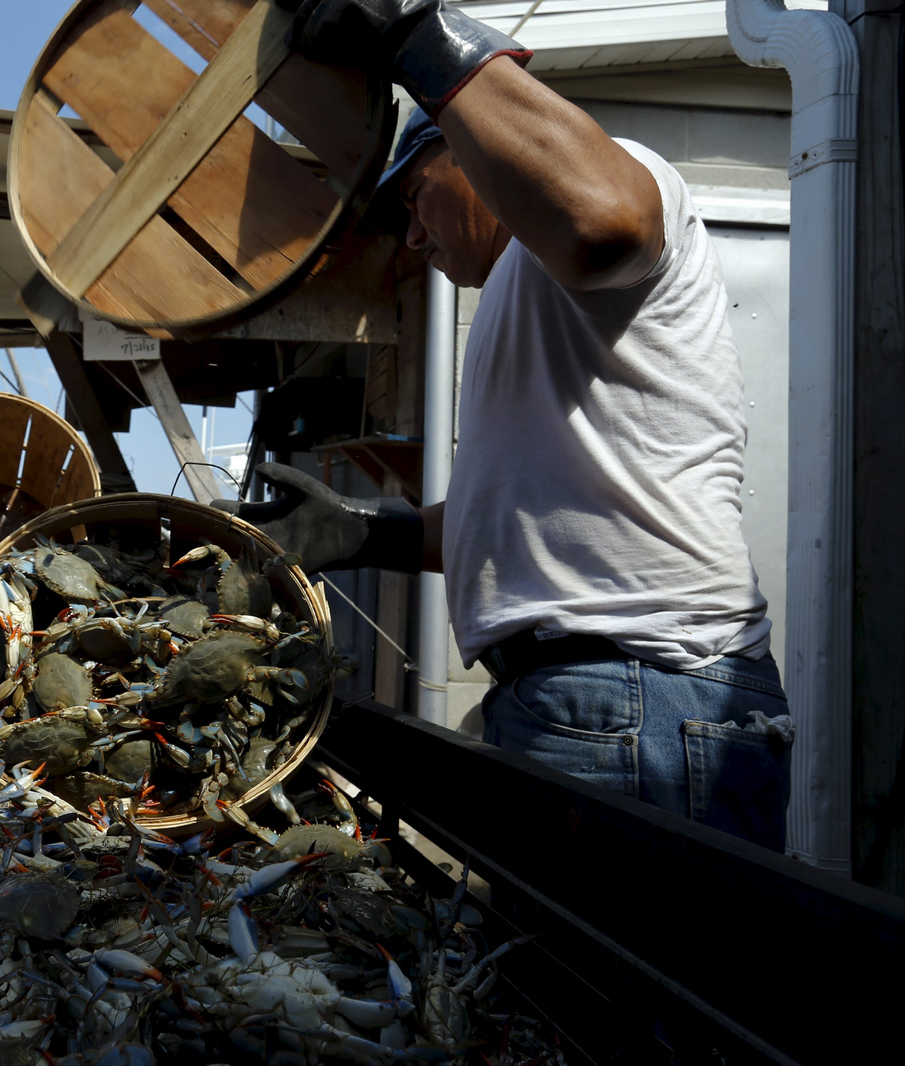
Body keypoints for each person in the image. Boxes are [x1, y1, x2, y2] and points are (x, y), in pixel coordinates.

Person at [219, 1, 793, 849]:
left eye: (412, 198)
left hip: (642, 694)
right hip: (596, 696)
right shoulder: (517, 298)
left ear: (472, 146)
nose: (412, 237)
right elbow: (525, 520)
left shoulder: (622, 180)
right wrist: (366, 535)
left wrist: (412, 33)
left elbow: (607, 222)